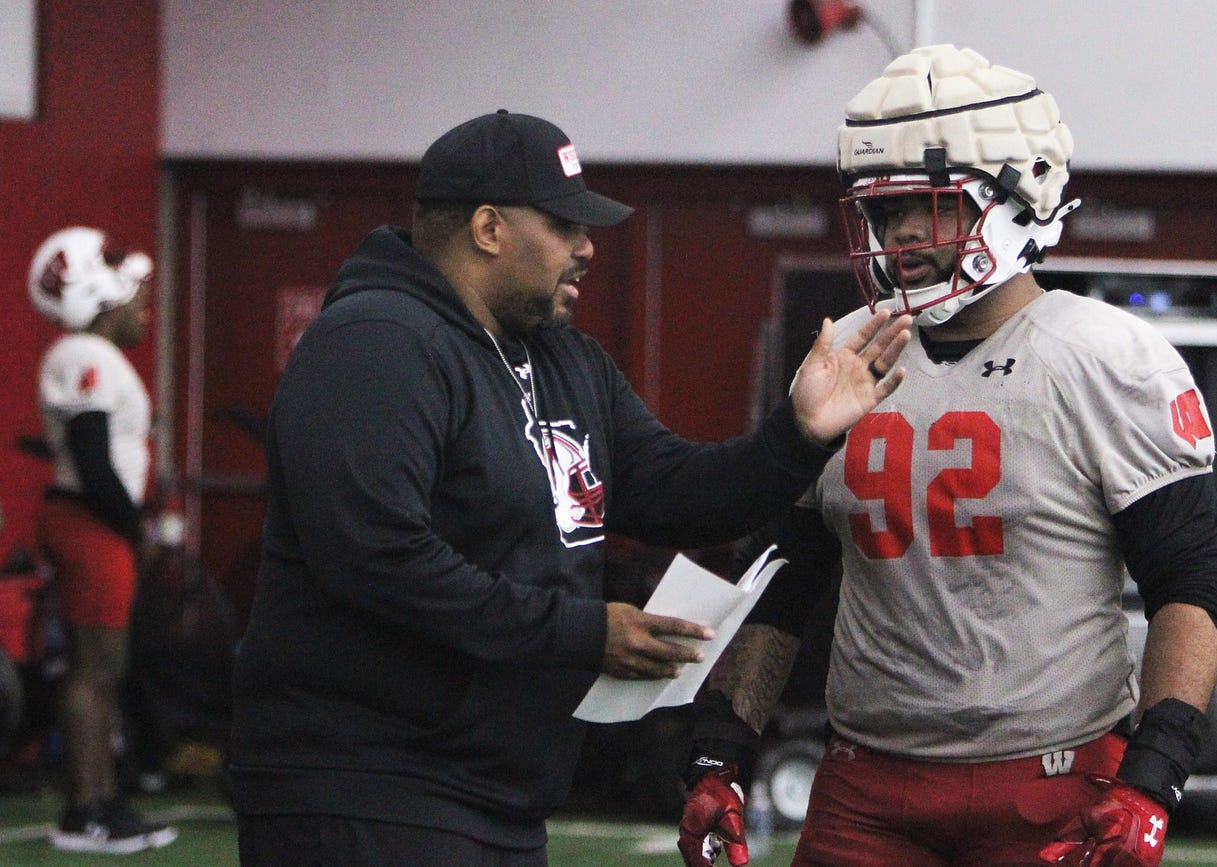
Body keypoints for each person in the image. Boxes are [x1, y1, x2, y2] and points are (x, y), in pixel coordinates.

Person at [228, 108, 911, 867]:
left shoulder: (562, 358)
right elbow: (376, 559)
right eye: (563, 226)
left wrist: (798, 433)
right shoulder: (375, 342)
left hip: (497, 795)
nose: (587, 249)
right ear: (488, 228)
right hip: (365, 786)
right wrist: (584, 634)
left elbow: (680, 493)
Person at [678, 45, 1217, 867]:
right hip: (866, 787)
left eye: (924, 208)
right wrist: (719, 749)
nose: (898, 236)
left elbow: (1189, 582)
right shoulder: (848, 359)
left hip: (1056, 785)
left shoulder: (1108, 358)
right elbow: (785, 574)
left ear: (1012, 200)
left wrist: (1151, 780)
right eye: (884, 211)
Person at [30, 226, 179, 854]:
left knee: (102, 667)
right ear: (98, 291)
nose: (143, 306)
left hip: (93, 521)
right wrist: (134, 526)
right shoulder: (87, 357)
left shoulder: (92, 357)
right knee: (97, 669)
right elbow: (94, 463)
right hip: (91, 524)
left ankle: (91, 801)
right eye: (134, 293)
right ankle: (92, 805)